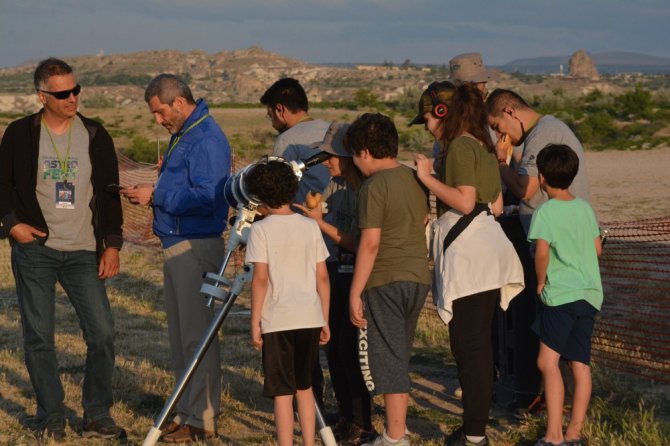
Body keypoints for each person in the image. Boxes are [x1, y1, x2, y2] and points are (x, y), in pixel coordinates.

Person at [0, 57, 126, 440]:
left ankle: (97, 413)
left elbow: (109, 194)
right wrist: (12, 226)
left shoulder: (94, 133)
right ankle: (51, 415)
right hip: (35, 249)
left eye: (76, 90)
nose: (72, 98)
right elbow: (1, 186)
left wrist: (112, 245)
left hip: (84, 251)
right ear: (42, 96)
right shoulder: (20, 133)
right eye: (62, 93)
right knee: (40, 336)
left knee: (102, 333)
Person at [122, 74, 231, 443]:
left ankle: (202, 419)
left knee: (196, 336)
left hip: (195, 245)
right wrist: (163, 183)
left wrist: (156, 195)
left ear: (179, 103)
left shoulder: (206, 139)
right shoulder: (187, 134)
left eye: (159, 112)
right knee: (181, 336)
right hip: (179, 243)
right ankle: (186, 410)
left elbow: (207, 196)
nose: (157, 120)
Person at [414, 84, 524, 446]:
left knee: (469, 348)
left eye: (429, 117)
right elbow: (493, 206)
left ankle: (474, 435)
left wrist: (427, 177)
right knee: (478, 346)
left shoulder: (461, 145)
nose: (428, 126)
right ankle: (473, 428)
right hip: (490, 251)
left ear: (443, 113)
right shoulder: (484, 146)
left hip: (470, 257)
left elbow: (464, 202)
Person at [345, 113, 431, 446]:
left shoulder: (373, 186)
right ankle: (398, 430)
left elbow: (370, 243)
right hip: (417, 277)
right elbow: (423, 218)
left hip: (384, 279)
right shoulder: (412, 178)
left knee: (386, 360)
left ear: (364, 152)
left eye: (354, 153)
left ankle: (395, 437)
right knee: (400, 353)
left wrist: (355, 291)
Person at [293, 122, 376, 445]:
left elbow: (357, 241)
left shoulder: (362, 192)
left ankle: (363, 422)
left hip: (356, 276)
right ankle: (346, 416)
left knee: (351, 350)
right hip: (338, 272)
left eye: (330, 155)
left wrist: (319, 224)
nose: (325, 161)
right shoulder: (336, 188)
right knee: (337, 350)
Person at [244, 159, 331, 446]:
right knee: (304, 388)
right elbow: (322, 278)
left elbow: (260, 280)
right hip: (309, 316)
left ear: (259, 195)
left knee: (282, 394)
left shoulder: (260, 230)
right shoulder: (310, 227)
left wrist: (255, 320)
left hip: (277, 320)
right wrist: (324, 318)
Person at [528, 144, 603, 446]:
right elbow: (597, 249)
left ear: (542, 177)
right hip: (589, 295)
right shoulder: (585, 208)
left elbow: (541, 252)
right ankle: (574, 433)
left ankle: (553, 435)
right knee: (580, 364)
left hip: (560, 295)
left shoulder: (545, 212)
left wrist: (540, 280)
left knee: (547, 362)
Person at [486, 89, 591, 234]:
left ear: (510, 112)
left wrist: (501, 160)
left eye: (496, 127)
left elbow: (524, 189)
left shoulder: (542, 134)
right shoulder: (544, 129)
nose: (498, 135)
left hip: (556, 239)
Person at [261, 77, 331, 204]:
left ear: (280, 109)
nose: (272, 124)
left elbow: (274, 191)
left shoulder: (287, 139)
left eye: (270, 116)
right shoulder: (331, 129)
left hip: (305, 216)